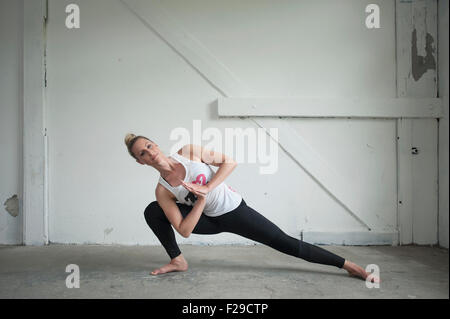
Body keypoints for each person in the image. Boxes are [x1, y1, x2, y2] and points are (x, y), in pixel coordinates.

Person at [124, 133, 378, 282]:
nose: (149, 152)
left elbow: (230, 162)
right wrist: (201, 200)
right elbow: (185, 230)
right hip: (208, 220)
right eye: (142, 154)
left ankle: (350, 266)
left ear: (155, 144)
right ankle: (177, 261)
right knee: (152, 210)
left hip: (234, 211)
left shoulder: (188, 152)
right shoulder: (162, 191)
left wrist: (208, 188)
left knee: (286, 243)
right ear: (139, 162)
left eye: (149, 146)